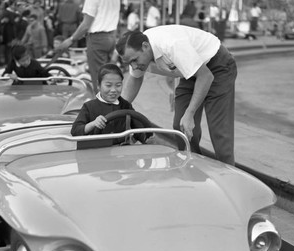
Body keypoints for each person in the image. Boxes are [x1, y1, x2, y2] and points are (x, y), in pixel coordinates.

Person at [116, 26, 237, 165]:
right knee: (181, 126)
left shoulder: (171, 44)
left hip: (217, 65)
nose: (134, 66)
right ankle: (193, 169)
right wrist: (119, 109)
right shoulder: (139, 51)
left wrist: (190, 113)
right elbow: (135, 79)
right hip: (192, 70)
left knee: (219, 131)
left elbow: (206, 76)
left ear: (145, 46)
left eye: (134, 60)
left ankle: (229, 175)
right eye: (129, 62)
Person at [55, 0, 119, 93]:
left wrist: (71, 39)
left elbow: (86, 24)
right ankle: (110, 104)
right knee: (109, 77)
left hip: (97, 39)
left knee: (99, 79)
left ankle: (102, 105)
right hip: (111, 36)